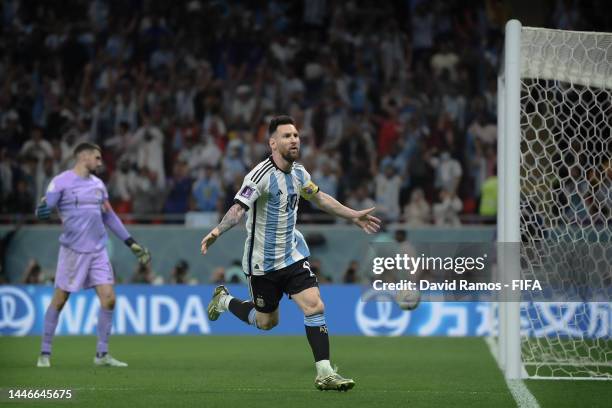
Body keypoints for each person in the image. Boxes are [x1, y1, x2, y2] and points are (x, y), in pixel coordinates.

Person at [200, 115, 381, 391]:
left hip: (292, 256)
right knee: (266, 322)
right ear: (273, 143)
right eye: (287, 136)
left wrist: (352, 215)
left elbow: (319, 198)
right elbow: (238, 208)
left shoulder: (299, 174)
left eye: (296, 135)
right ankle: (224, 301)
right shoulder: (259, 175)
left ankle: (324, 373)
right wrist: (216, 231)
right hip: (262, 264)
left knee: (315, 305)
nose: (294, 139)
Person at [35, 142, 151, 368]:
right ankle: (44, 352)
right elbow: (44, 209)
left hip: (98, 250)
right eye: (97, 158)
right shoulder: (60, 182)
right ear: (83, 157)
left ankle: (102, 354)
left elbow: (110, 217)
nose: (100, 162)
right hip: (72, 251)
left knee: (109, 298)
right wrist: (41, 210)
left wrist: (131, 242)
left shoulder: (98, 185)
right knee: (60, 300)